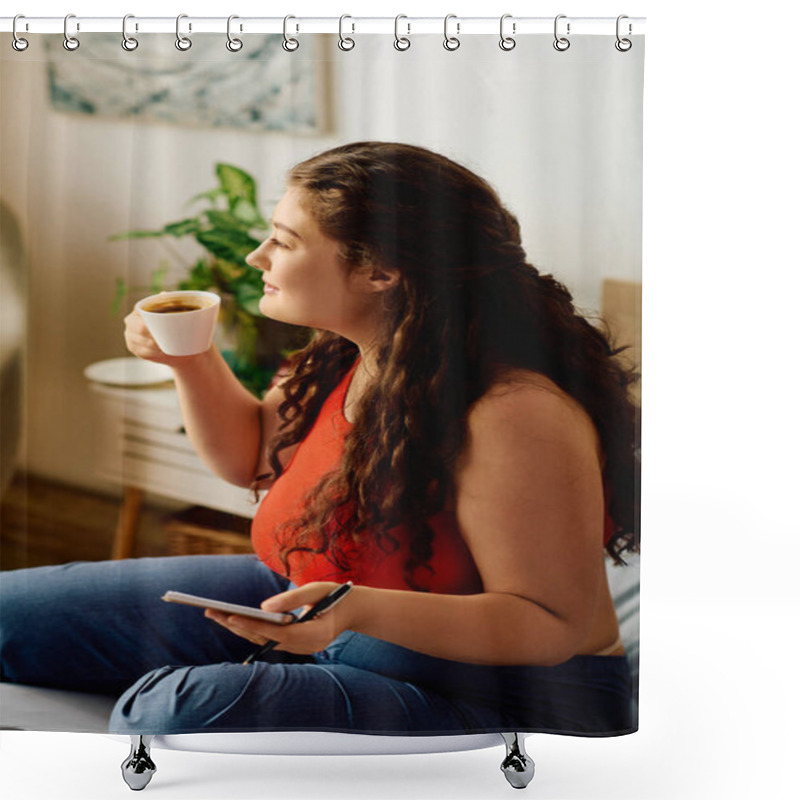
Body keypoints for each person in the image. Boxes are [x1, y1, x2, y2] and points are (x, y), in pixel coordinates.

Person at [0, 141, 640, 737]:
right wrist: (190, 359)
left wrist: (352, 609)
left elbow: (548, 624)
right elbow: (252, 458)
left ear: (381, 272)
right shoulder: (356, 349)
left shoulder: (514, 412)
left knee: (162, 712)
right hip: (323, 610)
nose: (256, 257)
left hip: (512, 690)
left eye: (283, 241)